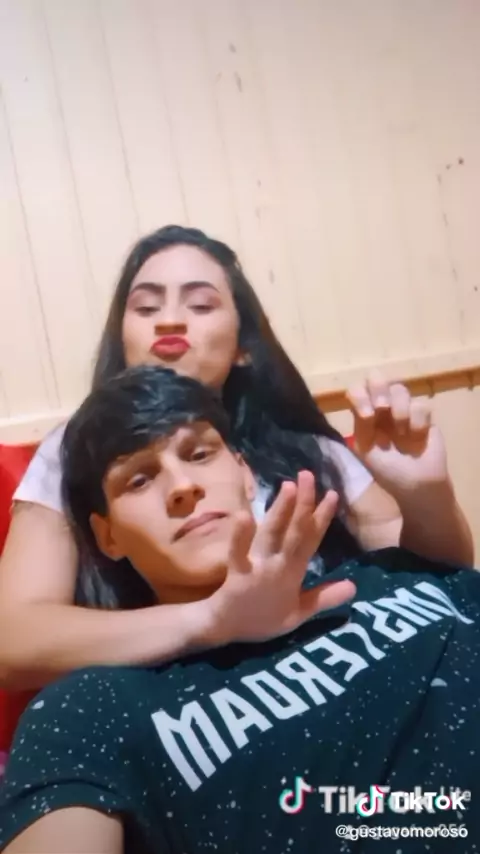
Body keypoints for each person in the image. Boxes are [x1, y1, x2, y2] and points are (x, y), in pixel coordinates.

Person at [0, 366, 478, 854]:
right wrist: (216, 620)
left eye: (199, 454)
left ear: (247, 475)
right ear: (108, 537)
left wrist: (424, 495)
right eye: (139, 480)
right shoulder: (91, 707)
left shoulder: (385, 575)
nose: (183, 486)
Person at [0, 225, 473, 691]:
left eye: (200, 304)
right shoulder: (74, 451)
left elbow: (439, 574)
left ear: (245, 346)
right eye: (146, 307)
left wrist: (425, 496)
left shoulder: (306, 449)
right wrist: (215, 621)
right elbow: (13, 641)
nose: (169, 320)